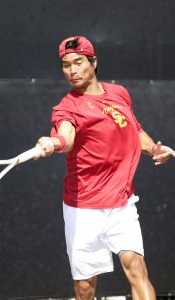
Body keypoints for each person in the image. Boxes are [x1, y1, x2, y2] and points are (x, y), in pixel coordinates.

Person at [34, 36, 175, 300]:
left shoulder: (119, 93)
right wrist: (52, 143)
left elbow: (135, 130)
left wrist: (153, 149)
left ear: (93, 62)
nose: (73, 71)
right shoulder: (67, 107)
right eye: (66, 65)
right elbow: (66, 137)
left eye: (78, 62)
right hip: (83, 207)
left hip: (121, 203)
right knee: (85, 289)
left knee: (137, 269)